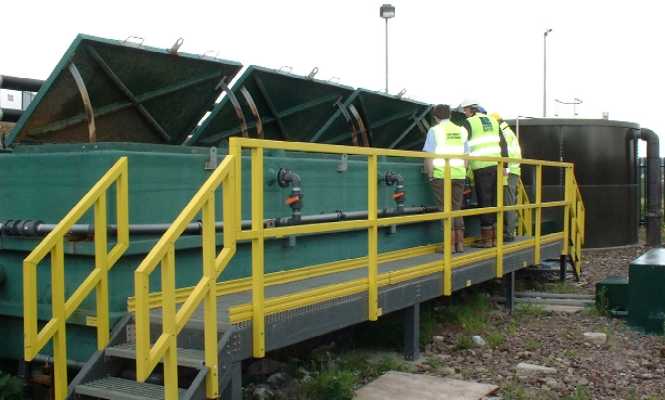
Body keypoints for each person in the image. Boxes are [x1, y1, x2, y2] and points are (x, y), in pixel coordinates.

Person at [459, 99, 506, 248]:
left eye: (465, 110)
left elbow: (461, 144)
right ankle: (494, 238)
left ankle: (487, 240)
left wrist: (463, 167)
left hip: (481, 166)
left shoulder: (469, 123)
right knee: (495, 201)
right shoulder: (493, 121)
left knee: (484, 201)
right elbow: (503, 143)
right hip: (496, 165)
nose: (464, 113)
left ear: (472, 110)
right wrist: (505, 165)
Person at [423, 104, 468, 253]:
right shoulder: (461, 130)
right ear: (450, 115)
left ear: (436, 117)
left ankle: (449, 246)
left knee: (444, 209)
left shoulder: (434, 131)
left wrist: (430, 175)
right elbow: (466, 157)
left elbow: (429, 156)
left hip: (441, 175)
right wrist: (462, 171)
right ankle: (459, 244)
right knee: (456, 208)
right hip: (459, 175)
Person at [491, 112, 522, 242]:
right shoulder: (508, 131)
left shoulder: (502, 132)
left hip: (508, 172)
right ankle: (509, 231)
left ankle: (509, 233)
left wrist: (504, 167)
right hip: (512, 171)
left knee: (508, 203)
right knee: (509, 202)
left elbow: (505, 150)